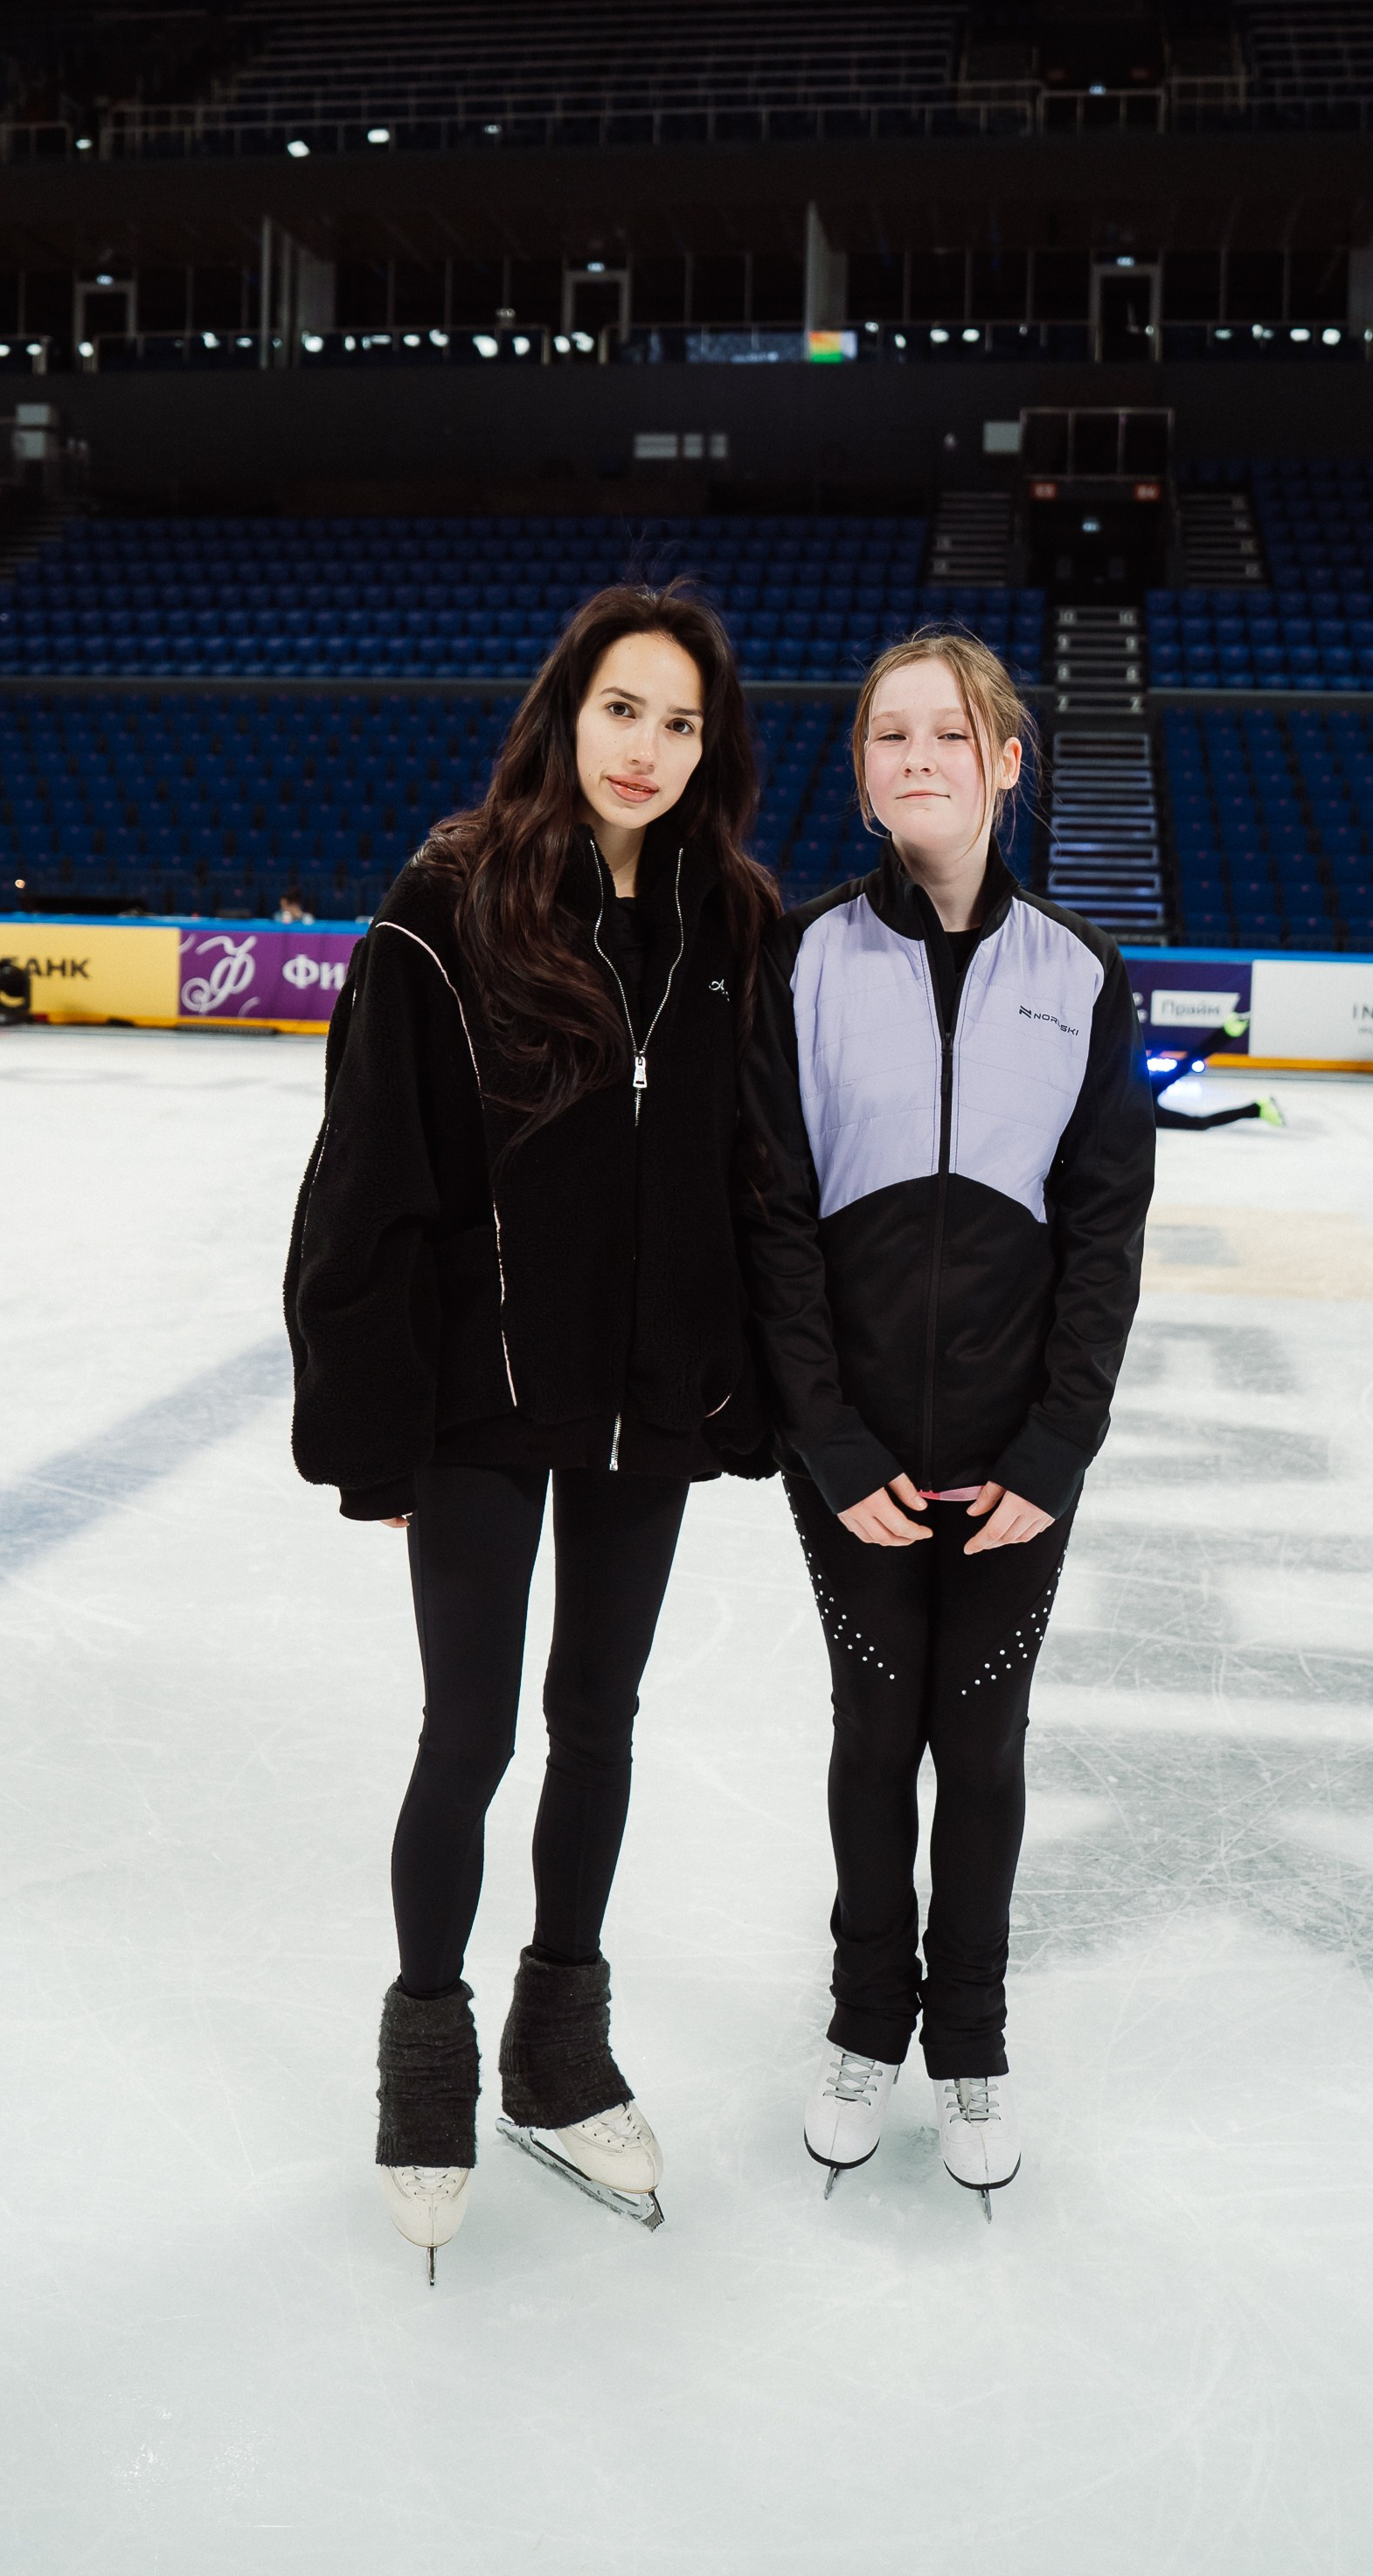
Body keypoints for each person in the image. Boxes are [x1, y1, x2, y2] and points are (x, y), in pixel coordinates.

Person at [286, 585, 776, 2269]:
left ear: (714, 749)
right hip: (481, 1405)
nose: (648, 747)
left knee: (603, 1720)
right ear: (568, 710)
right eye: (624, 709)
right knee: (473, 1735)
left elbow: (751, 1176)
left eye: (683, 721)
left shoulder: (734, 922)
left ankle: (558, 2056)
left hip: (650, 1398)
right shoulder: (445, 907)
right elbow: (366, 1185)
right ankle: (426, 2052)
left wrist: (745, 1385)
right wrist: (377, 1440)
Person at [738, 634, 1155, 2211]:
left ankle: (968, 2040)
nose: (915, 755)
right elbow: (772, 1219)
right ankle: (866, 2021)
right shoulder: (802, 957)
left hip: (1011, 1461)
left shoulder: (1082, 976)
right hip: (844, 1453)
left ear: (1005, 762)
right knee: (872, 1732)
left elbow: (1106, 1235)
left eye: (947, 732)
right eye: (887, 735)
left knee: (976, 1744)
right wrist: (826, 1445)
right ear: (862, 772)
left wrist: (1056, 1453)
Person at [1149, 1012, 1285, 1131]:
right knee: (1183, 1067)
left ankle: (1256, 1109)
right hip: (1138, 1103)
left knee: (1183, 1067)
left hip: (1137, 1101)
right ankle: (1227, 1032)